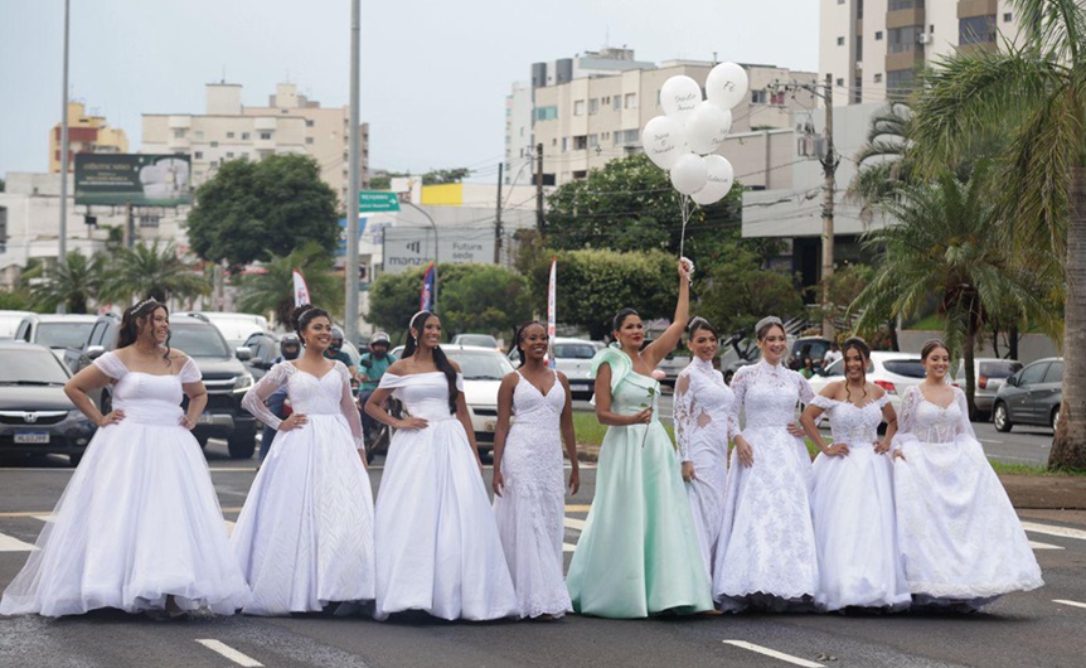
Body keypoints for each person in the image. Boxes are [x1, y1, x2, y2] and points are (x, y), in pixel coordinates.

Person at [0, 299, 250, 618]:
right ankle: (106, 587)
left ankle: (173, 591)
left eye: (166, 320)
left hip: (171, 446)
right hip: (126, 444)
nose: (164, 325)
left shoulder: (179, 360)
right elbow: (74, 387)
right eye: (157, 319)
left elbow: (199, 394)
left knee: (171, 515)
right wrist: (100, 418)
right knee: (120, 513)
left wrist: (192, 418)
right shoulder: (118, 359)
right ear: (140, 323)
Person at [565, 260, 713, 619]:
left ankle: (667, 591)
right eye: (629, 327)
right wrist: (630, 419)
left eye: (640, 327)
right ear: (616, 333)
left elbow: (679, 324)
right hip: (625, 445)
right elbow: (601, 414)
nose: (637, 332)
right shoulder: (609, 363)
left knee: (661, 514)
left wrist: (683, 280)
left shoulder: (648, 358)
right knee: (623, 514)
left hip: (655, 447)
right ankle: (616, 589)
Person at [365, 311, 517, 621]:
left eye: (438, 328)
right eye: (429, 327)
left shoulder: (451, 368)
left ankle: (457, 594)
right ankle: (410, 594)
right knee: (414, 514)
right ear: (415, 331)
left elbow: (462, 413)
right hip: (415, 443)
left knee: (457, 514)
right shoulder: (400, 367)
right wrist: (399, 421)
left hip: (450, 440)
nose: (435, 332)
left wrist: (474, 455)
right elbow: (371, 405)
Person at [231, 304, 375, 615]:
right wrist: (278, 423)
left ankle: (338, 586)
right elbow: (250, 399)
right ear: (303, 335)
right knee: (299, 511)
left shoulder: (338, 368)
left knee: (341, 512)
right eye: (318, 328)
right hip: (299, 442)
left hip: (337, 443)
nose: (326, 333)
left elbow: (350, 411)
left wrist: (360, 451)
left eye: (328, 328)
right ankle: (299, 588)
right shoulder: (287, 369)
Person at [891, 339, 1043, 611]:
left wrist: (974, 458)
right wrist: (899, 450)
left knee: (962, 527)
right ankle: (928, 584)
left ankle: (964, 586)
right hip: (924, 462)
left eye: (945, 359)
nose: (941, 364)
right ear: (925, 362)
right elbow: (903, 431)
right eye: (935, 359)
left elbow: (964, 431)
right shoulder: (913, 394)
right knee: (930, 527)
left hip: (954, 463)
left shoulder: (958, 394)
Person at [712, 315, 819, 612]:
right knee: (756, 515)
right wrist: (738, 438)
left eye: (780, 339)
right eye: (770, 339)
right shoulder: (745, 374)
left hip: (786, 452)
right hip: (754, 450)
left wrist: (803, 424)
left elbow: (819, 405)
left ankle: (791, 582)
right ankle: (750, 579)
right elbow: (730, 413)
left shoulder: (795, 378)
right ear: (759, 343)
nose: (776, 344)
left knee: (787, 515)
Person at [799, 337, 910, 612]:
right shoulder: (833, 389)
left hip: (873, 467)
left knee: (873, 527)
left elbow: (894, 420)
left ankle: (874, 586)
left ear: (866, 362)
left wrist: (887, 442)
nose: (852, 365)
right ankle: (844, 585)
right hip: (841, 466)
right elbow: (806, 418)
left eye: (857, 359)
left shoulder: (876, 392)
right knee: (844, 526)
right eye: (848, 359)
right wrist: (824, 447)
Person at [492, 321, 580, 619]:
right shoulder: (511, 380)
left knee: (549, 518)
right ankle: (532, 597)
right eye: (532, 338)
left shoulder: (561, 379)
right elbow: (502, 426)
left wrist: (575, 465)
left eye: (543, 338)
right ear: (521, 343)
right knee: (528, 520)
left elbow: (567, 424)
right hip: (521, 453)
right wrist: (496, 468)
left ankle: (545, 589)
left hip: (550, 457)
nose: (539, 342)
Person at [673, 316, 738, 580]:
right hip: (698, 450)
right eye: (701, 340)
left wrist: (738, 438)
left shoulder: (718, 375)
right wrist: (685, 458)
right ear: (690, 345)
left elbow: (728, 414)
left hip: (718, 451)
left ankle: (711, 579)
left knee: (716, 514)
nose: (708, 345)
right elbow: (679, 417)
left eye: (712, 340)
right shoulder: (687, 375)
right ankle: (696, 583)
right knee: (700, 514)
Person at [260, 334, 301, 462]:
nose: (291, 349)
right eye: (288, 347)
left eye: (293, 347)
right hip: (278, 395)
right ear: (283, 348)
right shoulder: (276, 363)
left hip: (298, 396)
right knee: (270, 422)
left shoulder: (304, 362)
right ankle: (264, 459)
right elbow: (268, 383)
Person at [357, 332, 396, 446]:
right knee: (367, 400)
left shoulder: (391, 359)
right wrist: (362, 376)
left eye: (383, 346)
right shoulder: (366, 358)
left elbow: (400, 370)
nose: (381, 348)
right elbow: (361, 371)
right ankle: (366, 432)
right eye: (378, 345)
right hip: (368, 389)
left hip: (387, 391)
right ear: (372, 346)